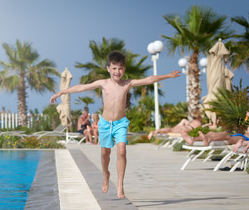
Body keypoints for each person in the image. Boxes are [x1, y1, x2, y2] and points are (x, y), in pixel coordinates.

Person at [50, 51, 180, 198]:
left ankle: (120, 184)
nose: (117, 71)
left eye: (120, 68)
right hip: (105, 124)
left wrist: (168, 76)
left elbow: (149, 79)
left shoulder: (127, 84)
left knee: (122, 150)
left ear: (124, 69)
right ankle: (106, 176)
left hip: (120, 123)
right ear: (108, 69)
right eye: (114, 68)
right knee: (105, 154)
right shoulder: (103, 84)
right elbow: (81, 87)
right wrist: (62, 92)